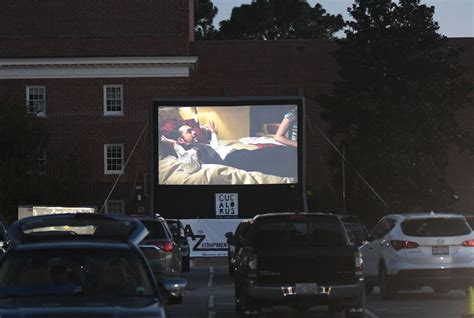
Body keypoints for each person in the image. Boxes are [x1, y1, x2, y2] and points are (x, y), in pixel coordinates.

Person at [160, 119, 297, 178]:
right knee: (272, 160)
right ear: (180, 140)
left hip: (238, 153)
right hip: (233, 159)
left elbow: (215, 148)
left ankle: (294, 155)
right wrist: (176, 147)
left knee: (273, 151)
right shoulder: (189, 153)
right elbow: (190, 168)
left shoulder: (200, 146)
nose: (194, 132)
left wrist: (214, 133)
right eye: (189, 132)